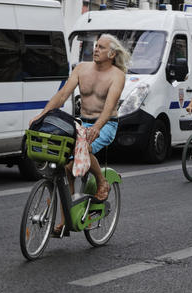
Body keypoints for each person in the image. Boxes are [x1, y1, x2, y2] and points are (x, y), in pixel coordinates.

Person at [30, 33, 127, 217]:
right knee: (66, 168)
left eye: (101, 47)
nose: (96, 49)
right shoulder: (82, 68)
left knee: (85, 148)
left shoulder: (117, 75)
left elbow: (108, 108)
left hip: (106, 124)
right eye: (96, 46)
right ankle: (67, 217)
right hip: (82, 123)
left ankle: (102, 182)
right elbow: (62, 95)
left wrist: (97, 127)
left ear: (112, 54)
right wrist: (41, 115)